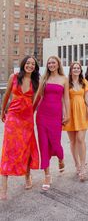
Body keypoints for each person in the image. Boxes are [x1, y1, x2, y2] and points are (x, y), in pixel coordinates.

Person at [0, 56, 40, 200]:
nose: (30, 66)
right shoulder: (14, 77)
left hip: (27, 119)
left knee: (27, 147)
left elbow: (35, 101)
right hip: (13, 116)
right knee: (8, 149)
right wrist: (2, 110)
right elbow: (6, 95)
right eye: (28, 63)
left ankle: (27, 177)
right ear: (23, 64)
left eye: (32, 64)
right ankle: (3, 187)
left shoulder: (35, 82)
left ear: (35, 67)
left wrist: (31, 114)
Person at [33, 56, 70, 190]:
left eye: (53, 62)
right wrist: (31, 112)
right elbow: (38, 96)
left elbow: (66, 99)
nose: (51, 65)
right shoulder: (44, 78)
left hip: (56, 115)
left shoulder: (64, 79)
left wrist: (68, 114)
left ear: (58, 64)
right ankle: (47, 175)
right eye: (49, 63)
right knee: (43, 144)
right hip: (42, 115)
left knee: (55, 144)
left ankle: (60, 158)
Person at [63, 62, 88, 181]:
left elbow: (87, 97)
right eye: (74, 68)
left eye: (78, 68)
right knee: (73, 140)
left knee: (80, 139)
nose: (76, 70)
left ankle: (83, 166)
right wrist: (64, 113)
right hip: (70, 112)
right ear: (70, 70)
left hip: (82, 112)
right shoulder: (66, 82)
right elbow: (62, 99)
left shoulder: (84, 82)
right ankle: (76, 164)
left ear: (81, 70)